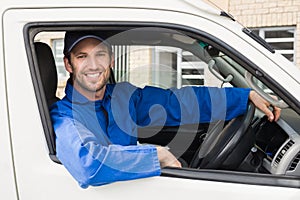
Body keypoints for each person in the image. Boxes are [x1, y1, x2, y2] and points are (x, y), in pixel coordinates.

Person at [50, 31, 281, 188]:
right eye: (82, 57)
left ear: (111, 60)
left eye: (100, 54)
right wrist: (158, 156)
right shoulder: (64, 114)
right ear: (69, 64)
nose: (93, 65)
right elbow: (88, 164)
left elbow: (179, 102)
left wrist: (244, 96)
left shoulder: (124, 97)